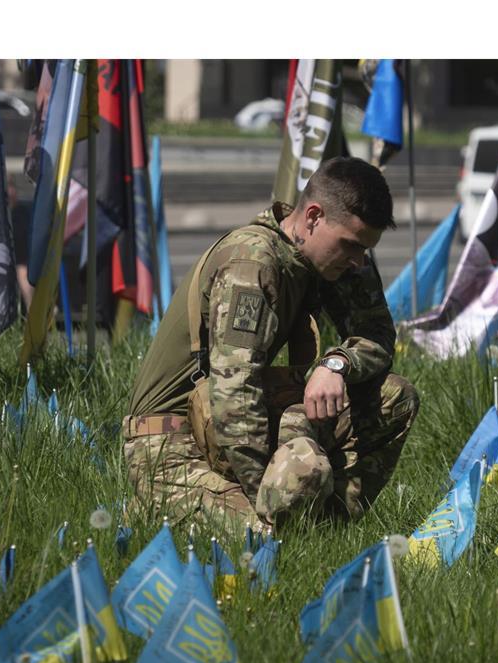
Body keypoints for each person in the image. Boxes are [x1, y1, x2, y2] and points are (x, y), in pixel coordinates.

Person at [123, 157, 419, 534]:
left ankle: (329, 529)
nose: (359, 260)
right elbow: (236, 396)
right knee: (270, 536)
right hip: (170, 444)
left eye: (366, 250)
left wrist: (337, 364)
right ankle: (156, 504)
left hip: (237, 424)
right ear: (312, 217)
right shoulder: (252, 262)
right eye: (350, 245)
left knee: (395, 397)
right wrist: (270, 497)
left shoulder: (335, 259)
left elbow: (377, 335)